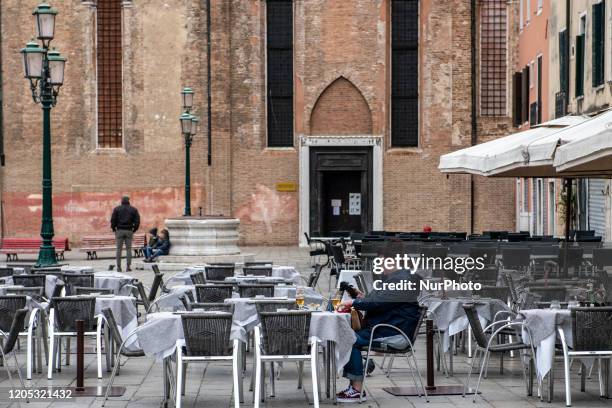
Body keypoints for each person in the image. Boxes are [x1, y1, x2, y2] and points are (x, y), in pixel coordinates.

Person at [336, 242, 422, 403]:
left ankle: (356, 390)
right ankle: (358, 374)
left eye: (381, 262)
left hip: (394, 332)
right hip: (388, 327)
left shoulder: (402, 280)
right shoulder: (396, 278)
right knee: (345, 334)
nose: (379, 265)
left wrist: (353, 303)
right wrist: (363, 298)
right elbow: (380, 299)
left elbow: (379, 302)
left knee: (348, 339)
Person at [110, 196, 140, 272]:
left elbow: (113, 220)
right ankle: (128, 267)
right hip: (129, 230)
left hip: (119, 230)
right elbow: (137, 221)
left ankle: (119, 267)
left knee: (118, 249)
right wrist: (134, 229)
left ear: (122, 201)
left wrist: (114, 228)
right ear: (128, 201)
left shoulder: (117, 209)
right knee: (129, 249)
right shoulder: (133, 209)